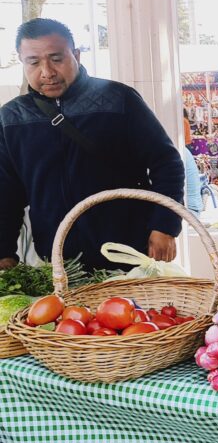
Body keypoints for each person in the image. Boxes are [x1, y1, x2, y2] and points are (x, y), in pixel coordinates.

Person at [0, 18, 185, 271]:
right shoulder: (11, 118)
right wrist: (3, 252)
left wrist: (165, 225)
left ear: (75, 55)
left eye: (56, 58)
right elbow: (6, 193)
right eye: (33, 62)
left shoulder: (119, 99)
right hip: (57, 264)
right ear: (22, 62)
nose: (47, 71)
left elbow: (166, 162)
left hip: (129, 254)